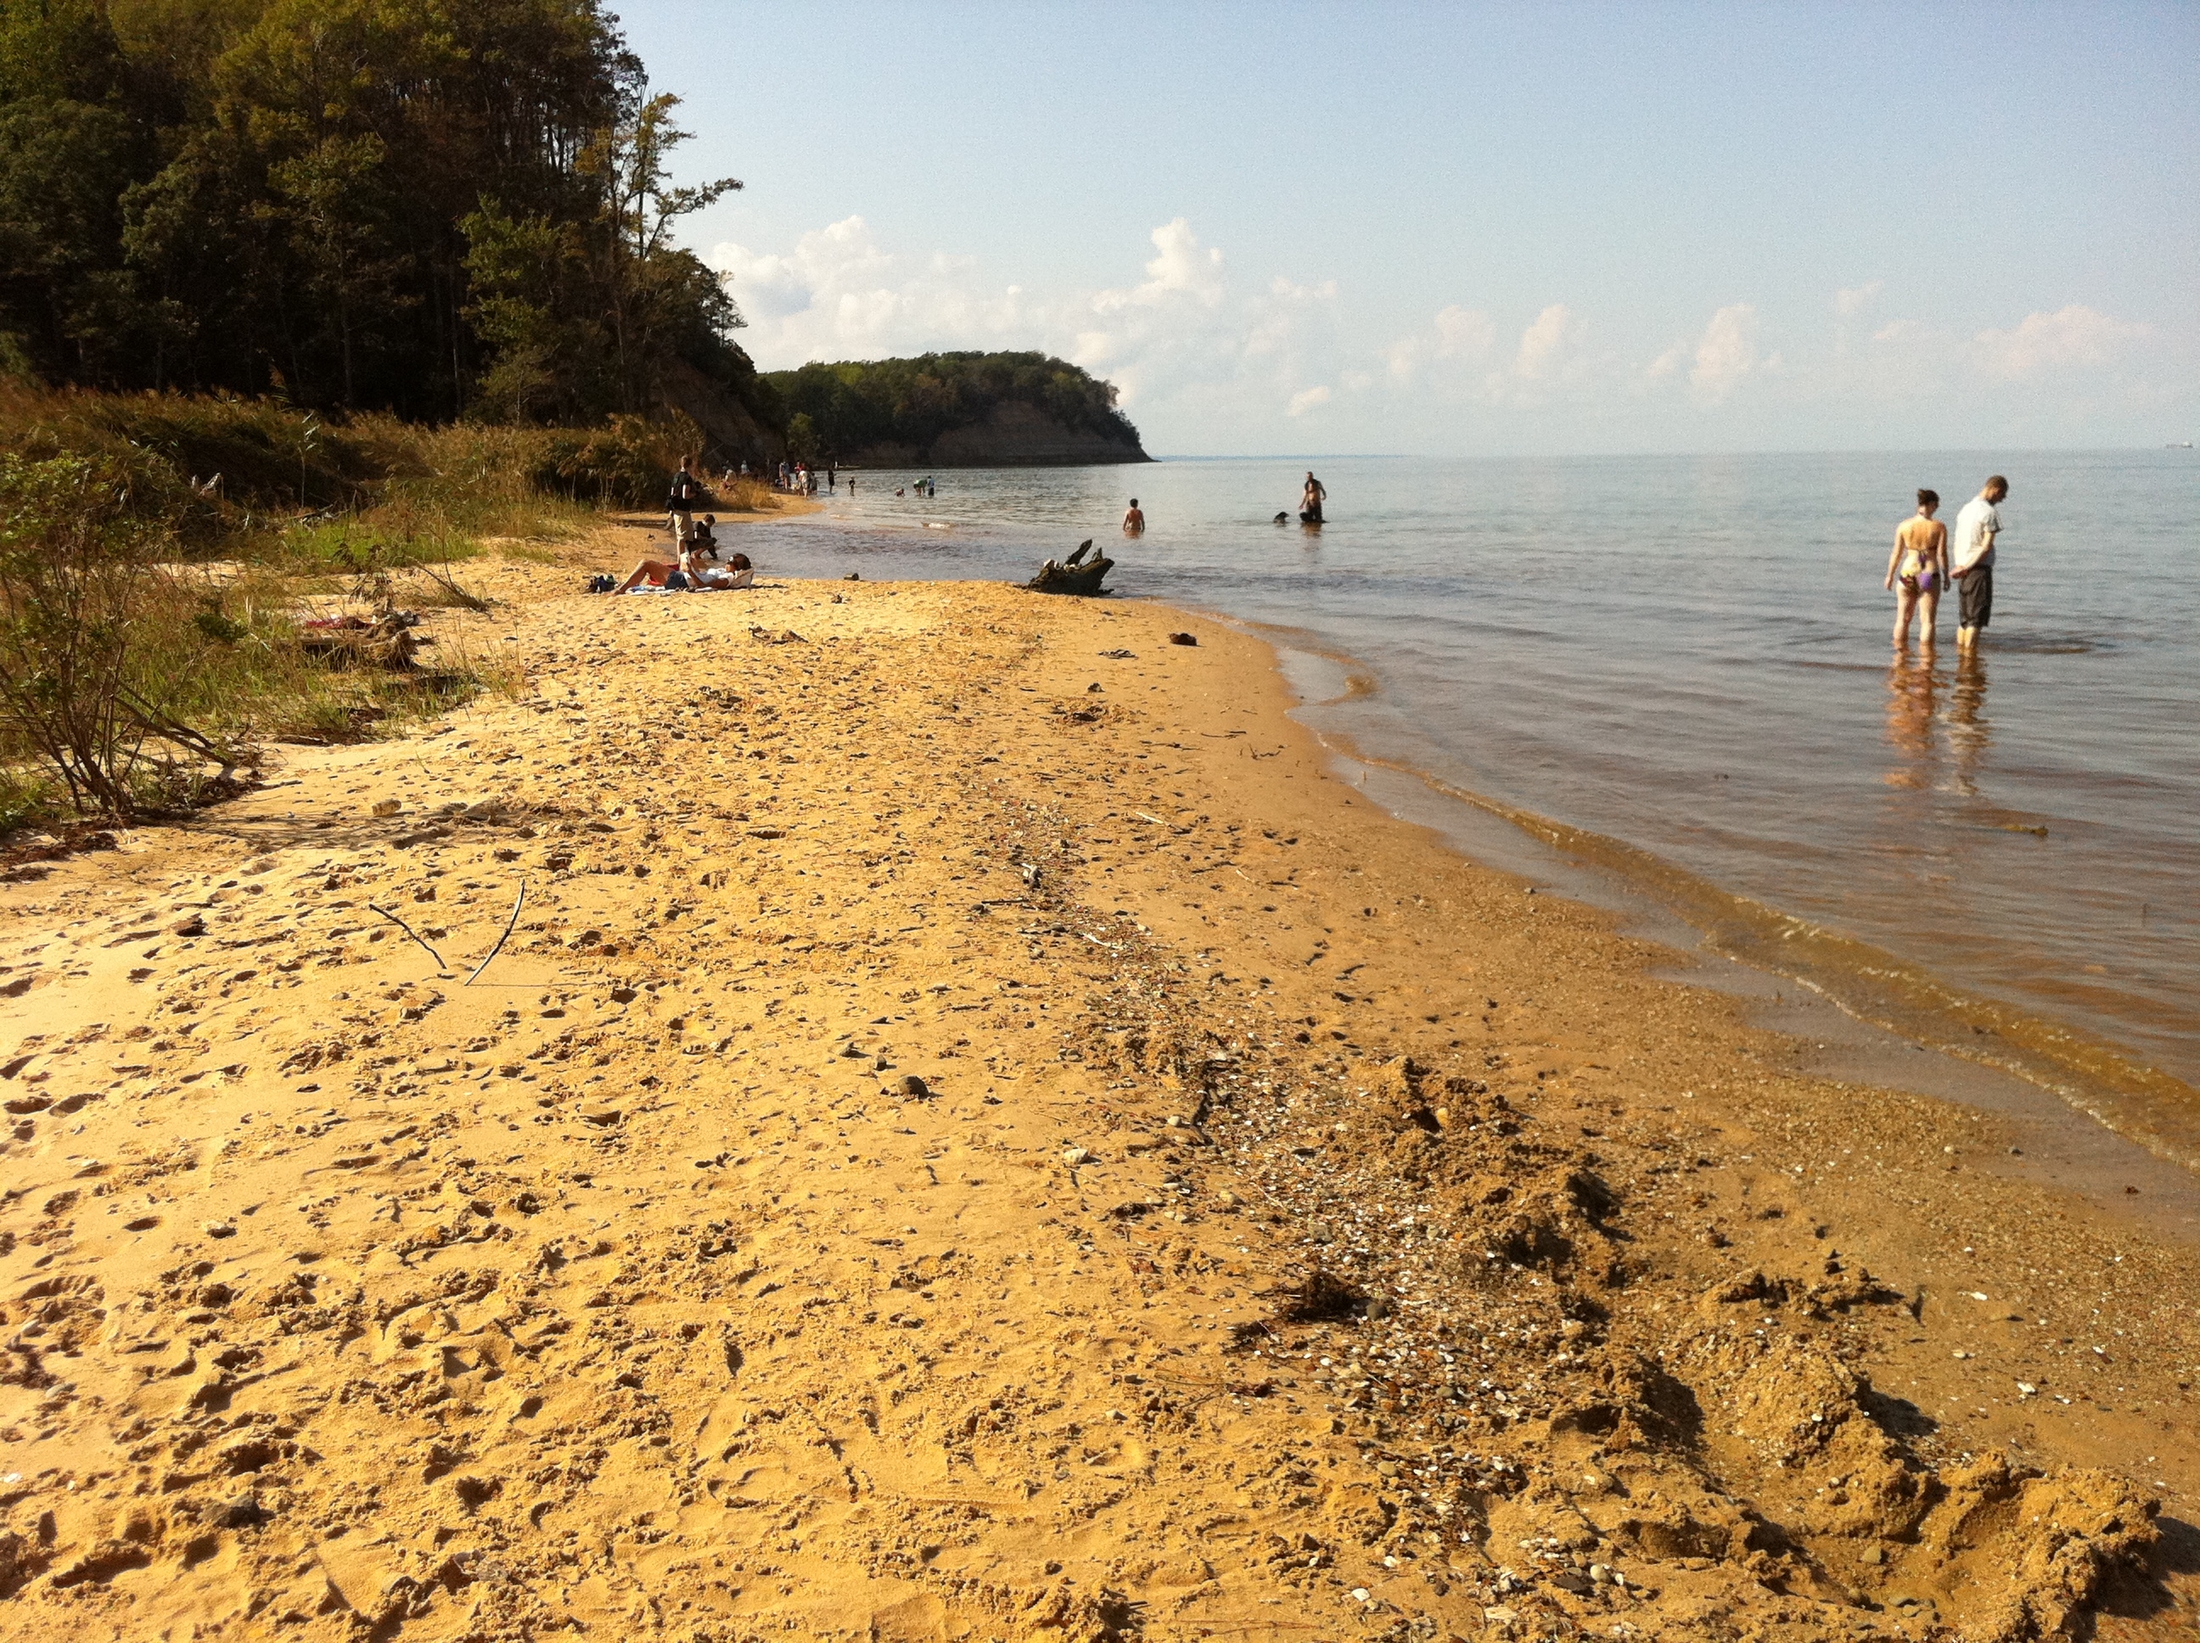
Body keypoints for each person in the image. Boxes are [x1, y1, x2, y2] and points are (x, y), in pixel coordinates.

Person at [1883, 489, 1948, 649]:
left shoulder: (1904, 526)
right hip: (1928, 574)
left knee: (1902, 619)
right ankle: (1926, 661)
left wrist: (1889, 575)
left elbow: (1896, 553)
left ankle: (1899, 656)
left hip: (1907, 573)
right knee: (1927, 621)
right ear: (1932, 504)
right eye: (1936, 505)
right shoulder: (1938, 527)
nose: (1936, 508)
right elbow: (1941, 554)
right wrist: (1946, 576)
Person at [1950, 475, 2008, 650]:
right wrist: (1968, 566)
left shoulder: (1965, 509)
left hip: (1962, 567)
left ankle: (1961, 653)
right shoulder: (1989, 513)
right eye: (2002, 495)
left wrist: (1959, 565)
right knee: (1976, 619)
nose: (2002, 500)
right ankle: (1969, 658)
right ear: (1996, 490)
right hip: (1977, 569)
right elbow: (1985, 547)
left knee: (1964, 619)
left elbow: (1957, 540)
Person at [666, 454, 701, 542]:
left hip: (675, 508)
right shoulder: (686, 478)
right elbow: (685, 495)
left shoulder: (676, 476)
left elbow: (672, 492)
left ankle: (680, 555)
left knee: (679, 535)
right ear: (690, 465)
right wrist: (695, 493)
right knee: (685, 536)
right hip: (683, 510)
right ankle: (682, 555)